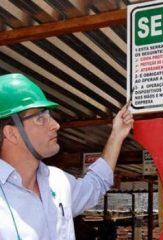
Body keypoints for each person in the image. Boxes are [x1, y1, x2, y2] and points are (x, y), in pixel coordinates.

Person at [0, 73, 134, 240]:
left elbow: (97, 183)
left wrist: (117, 134)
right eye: (40, 119)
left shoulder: (58, 182)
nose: (56, 125)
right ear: (12, 133)